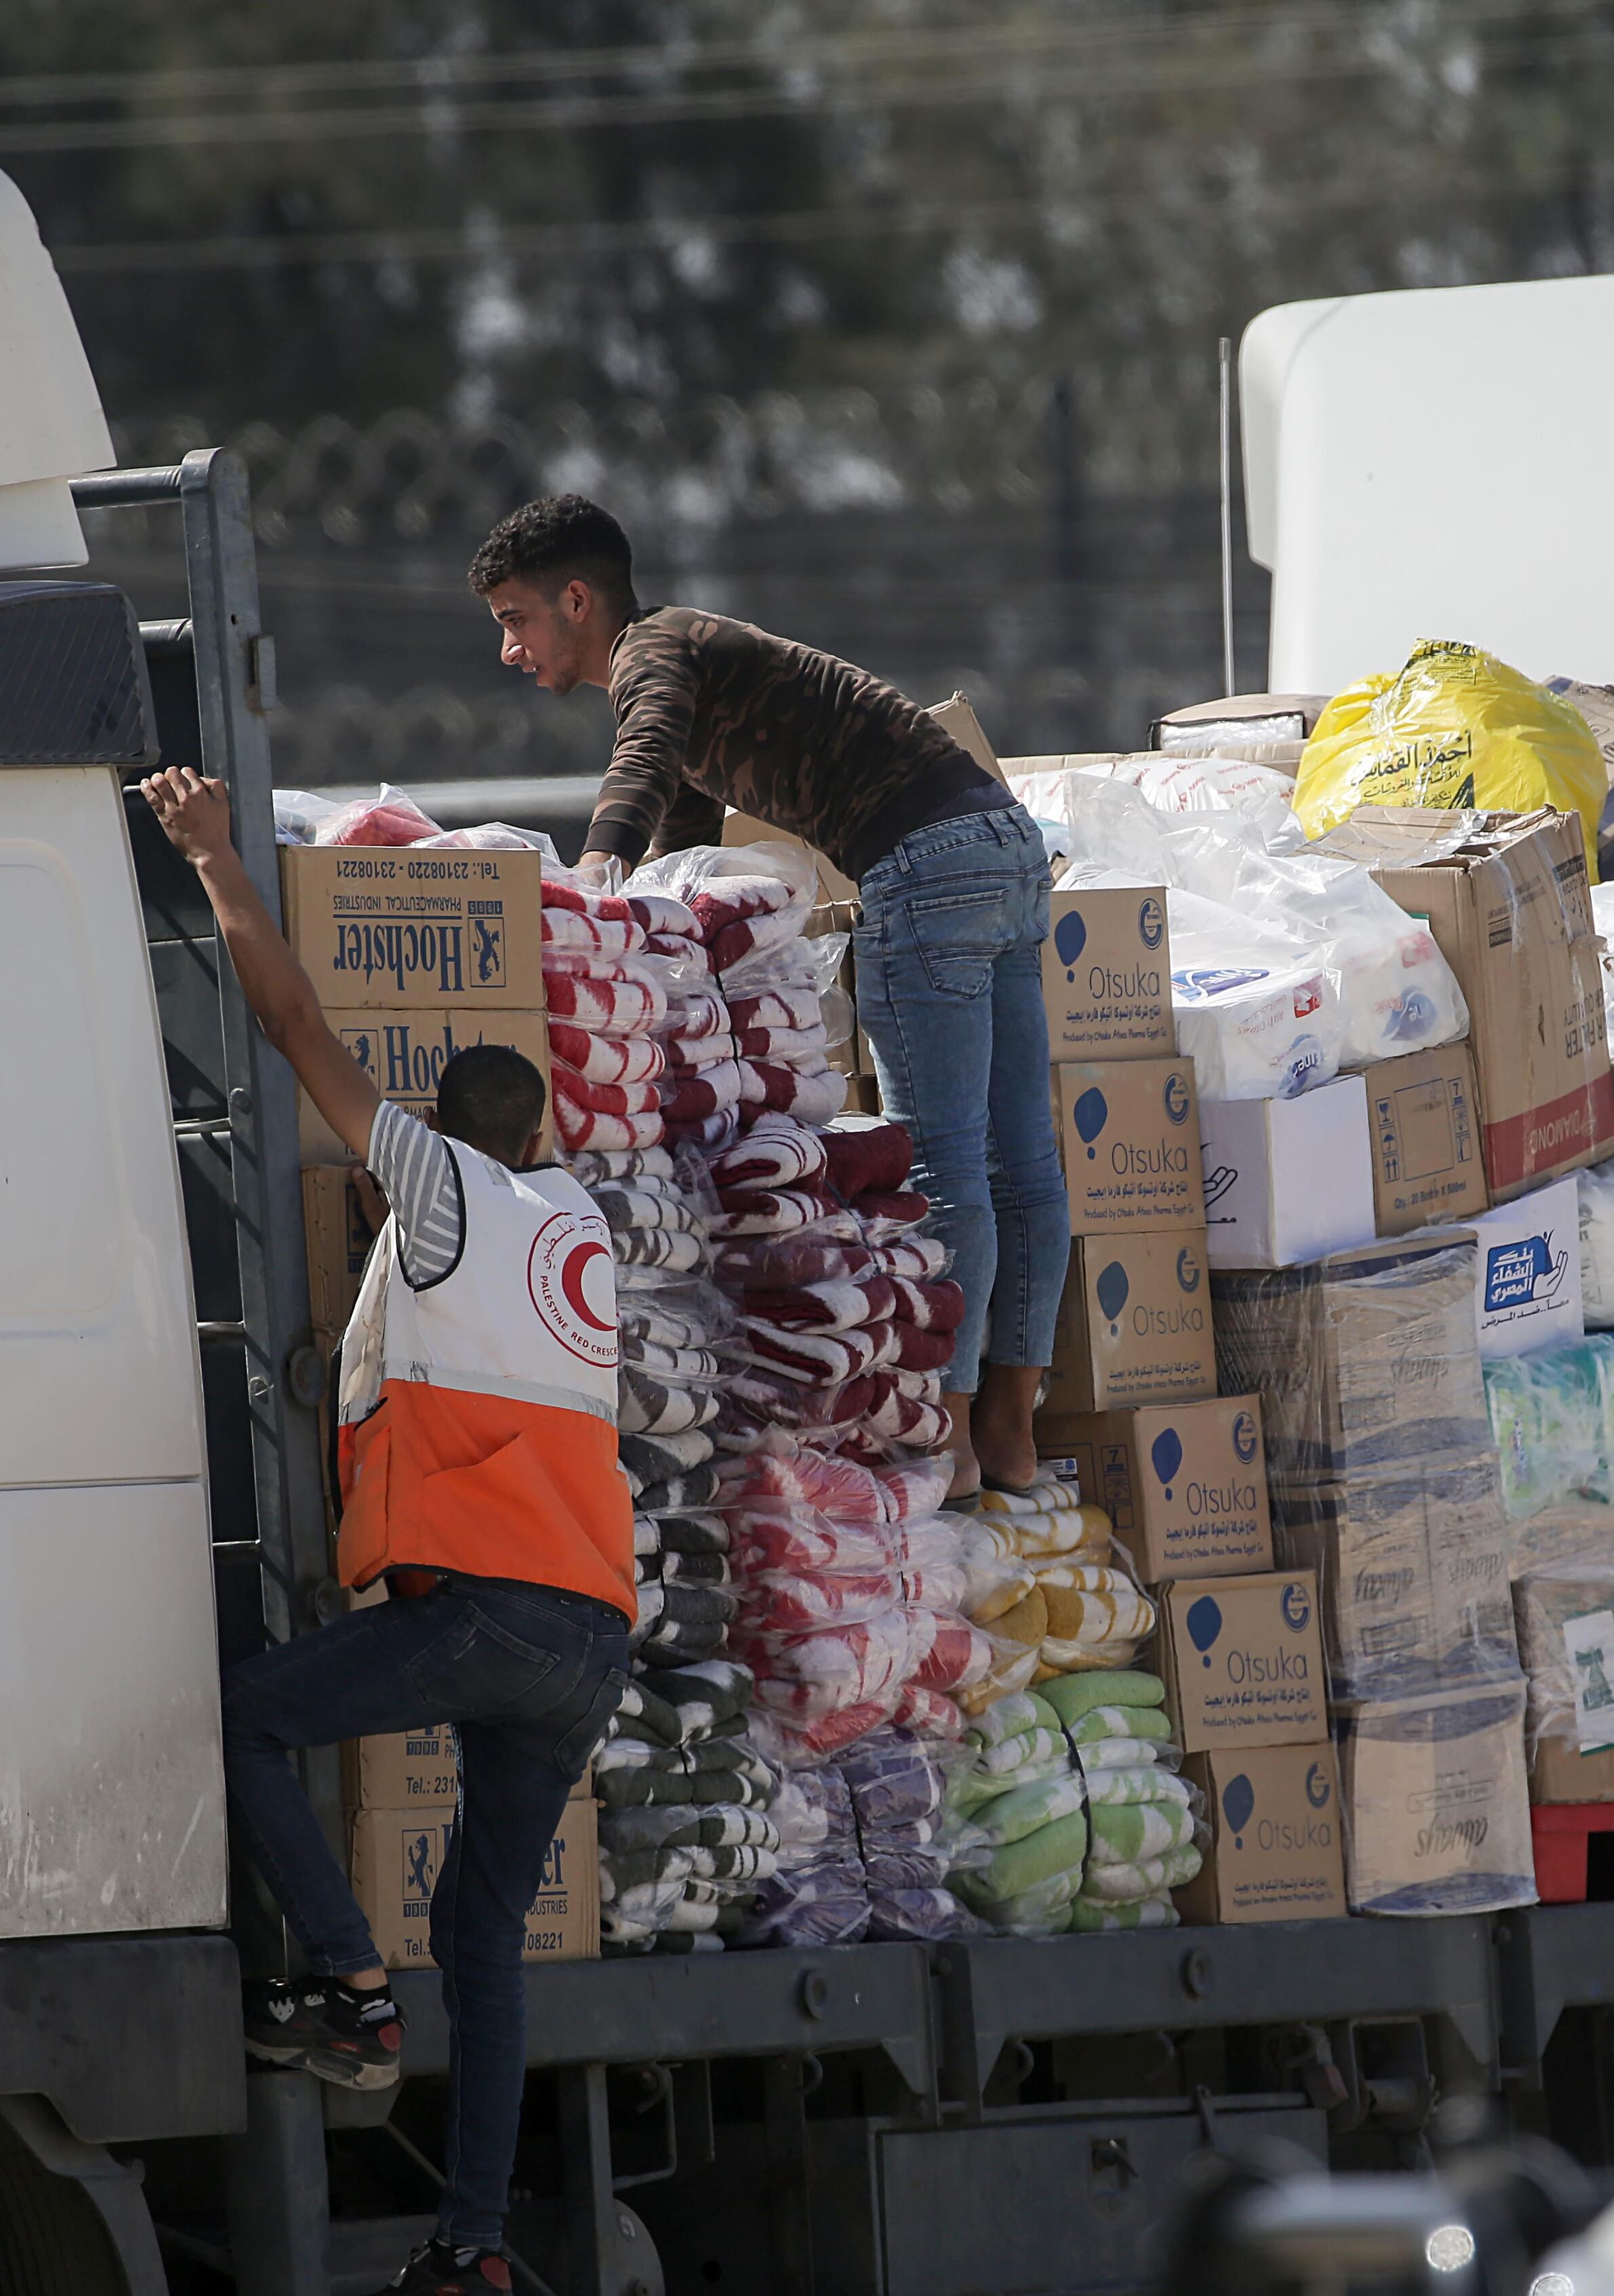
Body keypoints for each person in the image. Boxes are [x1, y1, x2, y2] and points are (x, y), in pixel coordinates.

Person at [141, 765, 631, 2296]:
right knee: (484, 1942)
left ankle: (352, 1988)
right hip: (588, 1638)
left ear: (429, 1140)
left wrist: (217, 857)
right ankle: (473, 2246)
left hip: (484, 1612)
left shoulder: (445, 1190)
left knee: (246, 1720)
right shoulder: (578, 1224)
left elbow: (296, 1026)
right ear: (540, 1130)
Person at [471, 492, 1071, 1501]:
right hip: (1004, 846)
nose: (509, 651)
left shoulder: (653, 649)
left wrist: (584, 885)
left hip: (926, 865)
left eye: (515, 620)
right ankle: (1010, 1435)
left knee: (946, 1162)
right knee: (1026, 1165)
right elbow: (685, 841)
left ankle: (955, 1441)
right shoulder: (698, 662)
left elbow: (643, 754)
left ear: (576, 601)